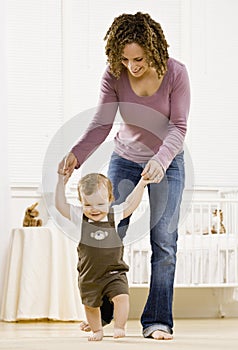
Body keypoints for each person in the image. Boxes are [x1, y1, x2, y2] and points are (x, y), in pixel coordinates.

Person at [58, 12, 190, 340]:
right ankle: (101, 316)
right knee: (105, 235)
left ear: (155, 49)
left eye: (139, 59)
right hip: (125, 159)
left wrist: (161, 160)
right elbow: (102, 123)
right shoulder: (114, 74)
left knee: (164, 241)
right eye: (125, 58)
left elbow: (179, 126)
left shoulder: (176, 73)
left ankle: (158, 321)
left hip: (168, 163)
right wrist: (77, 154)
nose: (132, 66)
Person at [55, 172, 153, 341]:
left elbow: (130, 204)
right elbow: (60, 205)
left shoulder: (113, 215)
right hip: (89, 275)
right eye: (88, 204)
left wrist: (142, 184)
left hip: (114, 272)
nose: (94, 209)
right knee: (91, 306)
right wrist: (60, 182)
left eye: (101, 203)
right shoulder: (80, 218)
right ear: (81, 203)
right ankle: (96, 330)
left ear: (110, 199)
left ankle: (120, 326)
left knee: (122, 297)